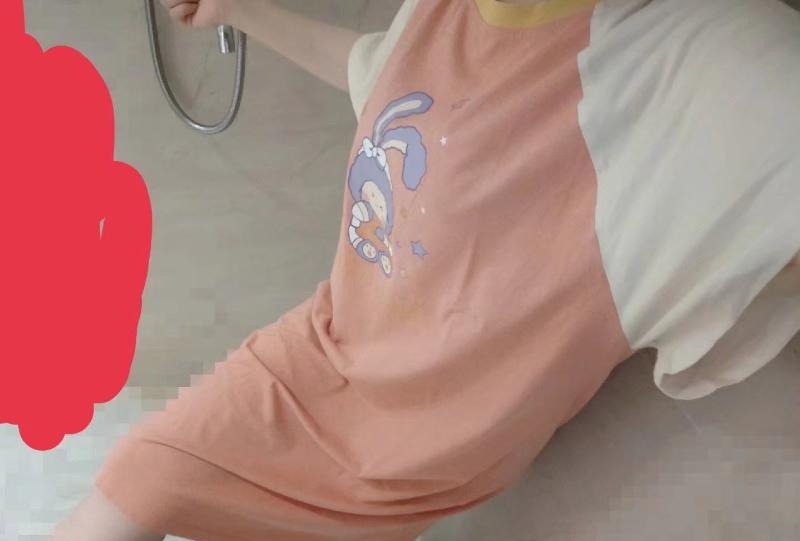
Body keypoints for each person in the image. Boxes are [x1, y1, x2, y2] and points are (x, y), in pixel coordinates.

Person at [50, 0, 800, 540]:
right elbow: (382, 75)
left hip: (414, 445)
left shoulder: (686, 53)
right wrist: (239, 10)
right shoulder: (449, 10)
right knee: (134, 478)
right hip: (320, 351)